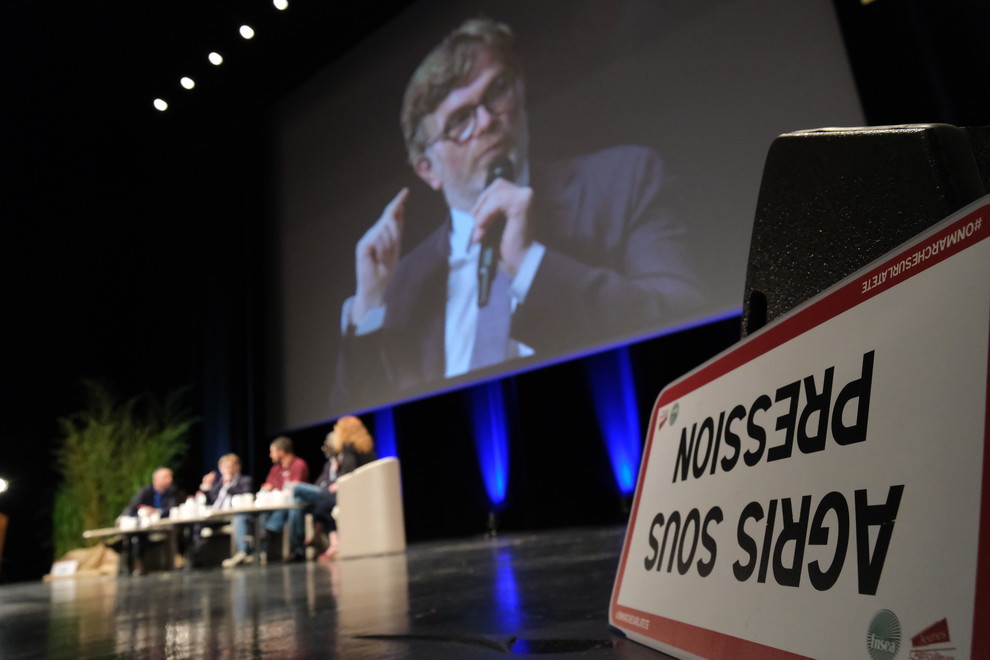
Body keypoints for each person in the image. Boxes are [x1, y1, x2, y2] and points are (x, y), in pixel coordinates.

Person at [331, 17, 704, 408]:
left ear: (520, 90)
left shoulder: (621, 180)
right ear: (428, 169)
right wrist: (369, 306)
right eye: (460, 120)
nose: (488, 120)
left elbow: (685, 317)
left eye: (497, 90)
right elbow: (358, 428)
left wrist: (531, 265)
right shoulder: (406, 280)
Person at [291, 416, 377, 559]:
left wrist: (338, 483)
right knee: (324, 501)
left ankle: (326, 540)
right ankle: (331, 542)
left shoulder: (349, 446)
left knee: (320, 500)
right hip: (365, 488)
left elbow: (348, 472)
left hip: (354, 490)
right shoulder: (365, 445)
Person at [257, 436, 310, 563]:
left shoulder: (298, 464)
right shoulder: (275, 469)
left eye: (272, 451)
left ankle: (295, 549)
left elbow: (295, 488)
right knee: (263, 513)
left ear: (281, 451)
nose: (270, 455)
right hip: (278, 505)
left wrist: (277, 489)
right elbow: (267, 486)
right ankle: (265, 553)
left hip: (297, 503)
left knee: (293, 508)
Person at [195, 454, 253, 567]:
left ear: (237, 467)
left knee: (238, 517)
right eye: (224, 467)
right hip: (216, 516)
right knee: (197, 522)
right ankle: (197, 553)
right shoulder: (218, 485)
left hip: (232, 515)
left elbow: (245, 495)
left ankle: (243, 553)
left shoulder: (244, 480)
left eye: (230, 466)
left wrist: (229, 485)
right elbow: (210, 500)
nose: (227, 470)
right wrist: (206, 487)